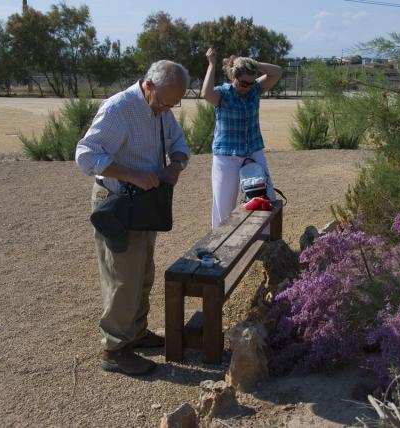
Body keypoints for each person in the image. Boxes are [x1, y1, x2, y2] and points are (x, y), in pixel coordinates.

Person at [75, 60, 190, 376]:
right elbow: (85, 155)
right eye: (165, 102)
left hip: (144, 204)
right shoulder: (118, 109)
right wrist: (132, 175)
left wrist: (175, 165)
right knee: (123, 278)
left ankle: (136, 333)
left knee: (143, 272)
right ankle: (114, 349)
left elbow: (180, 145)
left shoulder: (162, 108)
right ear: (148, 86)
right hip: (117, 202)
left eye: (174, 104)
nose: (168, 109)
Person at [201, 48, 283, 228]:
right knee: (224, 205)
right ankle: (220, 244)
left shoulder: (255, 89)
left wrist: (253, 64)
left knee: (265, 197)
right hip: (227, 155)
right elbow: (206, 93)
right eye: (243, 83)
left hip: (253, 151)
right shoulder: (223, 94)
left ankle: (264, 241)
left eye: (251, 83)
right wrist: (212, 64)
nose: (248, 87)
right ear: (233, 77)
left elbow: (277, 72)